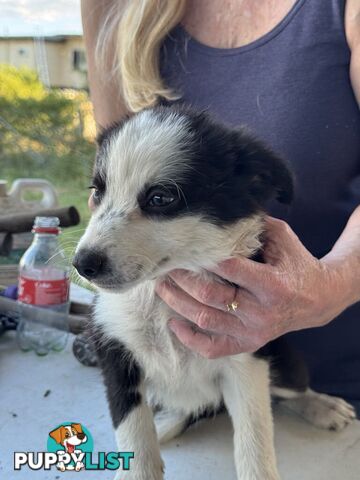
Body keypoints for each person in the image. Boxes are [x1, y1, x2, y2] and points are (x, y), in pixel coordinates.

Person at [81, 0, 360, 413]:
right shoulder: (114, 6)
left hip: (335, 369)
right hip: (181, 375)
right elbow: (114, 181)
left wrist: (332, 284)